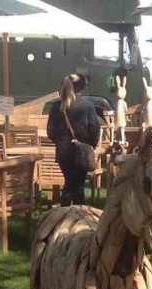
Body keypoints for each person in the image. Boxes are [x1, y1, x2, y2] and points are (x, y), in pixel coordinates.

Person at [46, 73, 101, 207]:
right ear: (80, 87)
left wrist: (60, 141)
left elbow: (50, 131)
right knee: (79, 185)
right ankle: (78, 216)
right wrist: (91, 144)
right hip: (82, 150)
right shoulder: (87, 106)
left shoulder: (56, 106)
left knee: (69, 182)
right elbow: (94, 128)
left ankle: (64, 213)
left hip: (63, 151)